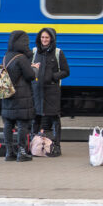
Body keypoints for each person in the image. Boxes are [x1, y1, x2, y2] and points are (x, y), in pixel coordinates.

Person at [30, 27, 70, 157]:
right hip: (37, 90)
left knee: (54, 118)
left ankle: (56, 146)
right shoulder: (34, 52)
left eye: (47, 37)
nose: (44, 40)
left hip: (52, 91)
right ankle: (33, 145)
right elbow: (29, 69)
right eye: (42, 37)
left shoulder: (58, 53)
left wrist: (53, 77)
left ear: (51, 39)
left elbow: (66, 71)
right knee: (35, 117)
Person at [0, 30, 37, 162]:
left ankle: (9, 153)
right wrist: (34, 68)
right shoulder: (21, 58)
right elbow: (30, 76)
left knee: (8, 124)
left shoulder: (6, 56)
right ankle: (22, 152)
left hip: (7, 95)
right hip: (21, 96)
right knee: (22, 124)